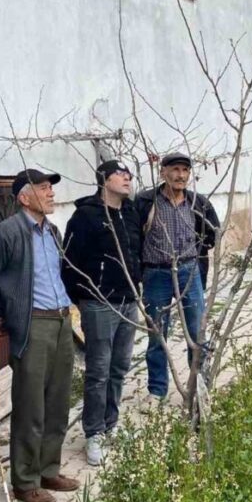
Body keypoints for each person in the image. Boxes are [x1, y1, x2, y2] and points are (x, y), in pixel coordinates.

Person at [0, 169, 79, 502]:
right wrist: (14, 313)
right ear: (24, 196)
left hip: (62, 322)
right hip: (34, 325)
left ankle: (49, 469)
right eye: (44, 188)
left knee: (58, 402)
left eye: (51, 188)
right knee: (31, 405)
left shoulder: (53, 232)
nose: (51, 193)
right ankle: (25, 481)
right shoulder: (7, 232)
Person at [62, 160, 143, 466]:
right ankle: (93, 432)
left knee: (120, 366)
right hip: (99, 303)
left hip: (128, 300)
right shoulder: (86, 216)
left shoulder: (131, 213)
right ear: (103, 180)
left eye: (129, 174)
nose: (127, 178)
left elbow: (137, 252)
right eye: (120, 174)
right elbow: (69, 263)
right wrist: (85, 298)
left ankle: (111, 424)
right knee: (99, 370)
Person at [135, 153, 220, 400]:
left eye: (185, 170)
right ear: (163, 172)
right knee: (157, 333)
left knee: (196, 332)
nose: (180, 175)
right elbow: (133, 236)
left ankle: (197, 387)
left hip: (189, 271)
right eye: (175, 170)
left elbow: (212, 234)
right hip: (155, 273)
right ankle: (157, 390)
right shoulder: (145, 202)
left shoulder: (197, 203)